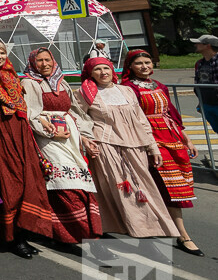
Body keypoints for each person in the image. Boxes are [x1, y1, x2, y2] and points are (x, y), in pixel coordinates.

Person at [73, 57, 176, 239]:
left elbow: (141, 119)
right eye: (97, 69)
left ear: (113, 70)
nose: (103, 72)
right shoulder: (85, 93)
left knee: (142, 184)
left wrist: (153, 147)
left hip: (136, 144)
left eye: (106, 68)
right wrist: (86, 139)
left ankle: (151, 224)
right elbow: (77, 117)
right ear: (90, 73)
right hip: (106, 144)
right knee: (119, 187)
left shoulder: (126, 91)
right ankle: (134, 227)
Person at [0, 43, 53, 258]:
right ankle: (11, 236)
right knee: (8, 181)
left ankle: (23, 230)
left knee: (28, 179)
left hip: (19, 131)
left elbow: (24, 105)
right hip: (0, 131)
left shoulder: (11, 75)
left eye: (2, 53)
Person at [121, 50, 203, 256]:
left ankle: (169, 231)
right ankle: (182, 235)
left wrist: (187, 140)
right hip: (150, 140)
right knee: (167, 187)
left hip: (172, 137)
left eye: (147, 62)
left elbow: (171, 114)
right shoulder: (127, 89)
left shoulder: (160, 86)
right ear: (130, 67)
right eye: (138, 63)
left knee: (177, 187)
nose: (144, 66)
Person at [20, 48, 103, 245]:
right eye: (39, 61)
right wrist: (49, 131)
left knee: (79, 182)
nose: (44, 64)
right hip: (47, 138)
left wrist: (84, 137)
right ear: (33, 63)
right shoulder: (29, 83)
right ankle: (77, 233)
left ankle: (76, 232)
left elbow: (74, 112)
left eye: (47, 59)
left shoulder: (61, 81)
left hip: (70, 137)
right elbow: (29, 113)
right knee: (64, 184)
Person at [192, 34, 218, 137]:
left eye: (198, 43)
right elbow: (198, 83)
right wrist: (200, 103)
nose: (196, 45)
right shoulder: (200, 63)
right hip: (207, 104)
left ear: (208, 45)